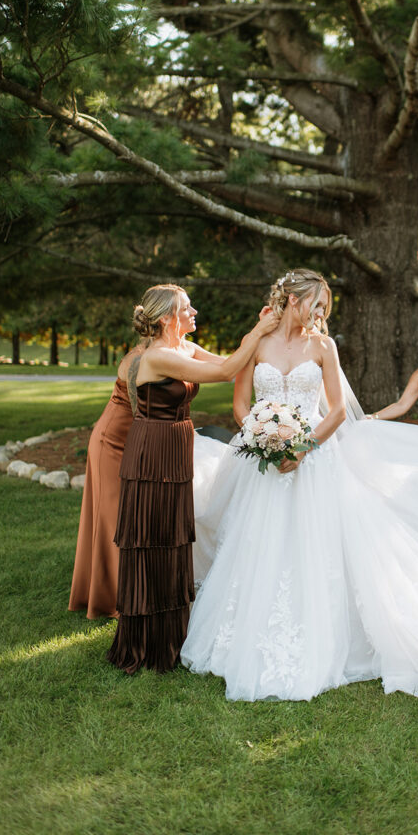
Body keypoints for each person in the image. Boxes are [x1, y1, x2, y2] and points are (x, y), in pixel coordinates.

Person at [182, 270, 418, 702]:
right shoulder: (259, 344)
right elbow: (240, 403)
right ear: (291, 299)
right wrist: (264, 438)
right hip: (263, 463)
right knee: (258, 545)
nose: (321, 313)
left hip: (313, 462)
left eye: (326, 306)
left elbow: (338, 410)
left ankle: (321, 633)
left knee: (316, 548)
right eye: (315, 303)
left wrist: (302, 447)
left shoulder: (323, 346)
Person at [107, 284, 277, 675]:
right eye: (187, 307)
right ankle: (148, 642)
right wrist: (261, 332)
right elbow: (224, 371)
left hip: (177, 445)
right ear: (167, 317)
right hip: (153, 450)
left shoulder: (183, 347)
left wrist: (263, 334)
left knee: (173, 536)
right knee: (153, 537)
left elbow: (232, 360)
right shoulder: (160, 356)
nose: (194, 311)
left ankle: (174, 632)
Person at [68, 344, 145, 619]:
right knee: (111, 518)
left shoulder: (174, 349)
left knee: (124, 517)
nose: (194, 312)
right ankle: (109, 600)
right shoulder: (139, 358)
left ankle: (115, 590)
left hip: (130, 440)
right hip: (110, 441)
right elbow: (141, 411)